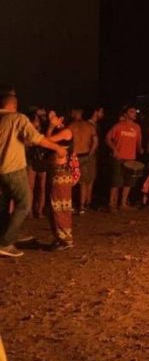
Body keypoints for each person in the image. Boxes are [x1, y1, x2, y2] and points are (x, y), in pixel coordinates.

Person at [0, 86, 68, 258]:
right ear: (13, 105)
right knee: (24, 203)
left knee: (3, 205)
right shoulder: (17, 118)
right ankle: (6, 242)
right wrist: (58, 148)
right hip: (13, 168)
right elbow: (36, 139)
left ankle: (8, 235)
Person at [43, 110, 76, 250]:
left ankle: (66, 240)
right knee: (54, 206)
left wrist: (50, 127)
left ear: (61, 118)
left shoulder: (66, 132)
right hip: (56, 172)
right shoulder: (59, 132)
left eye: (53, 115)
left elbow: (45, 141)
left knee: (60, 206)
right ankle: (59, 237)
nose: (50, 118)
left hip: (61, 173)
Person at [105, 106, 143, 212]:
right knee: (116, 181)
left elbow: (138, 141)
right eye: (132, 112)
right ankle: (111, 204)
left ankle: (123, 203)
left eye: (135, 112)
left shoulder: (137, 127)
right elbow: (108, 138)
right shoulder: (118, 126)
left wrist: (140, 149)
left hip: (131, 158)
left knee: (128, 182)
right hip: (119, 157)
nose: (134, 114)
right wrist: (114, 149)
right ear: (125, 114)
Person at [68, 107, 99, 214]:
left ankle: (71, 205)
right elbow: (95, 142)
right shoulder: (89, 126)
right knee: (84, 182)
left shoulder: (71, 126)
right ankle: (82, 206)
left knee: (72, 181)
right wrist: (90, 153)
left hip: (75, 156)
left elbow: (67, 142)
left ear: (76, 112)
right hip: (86, 155)